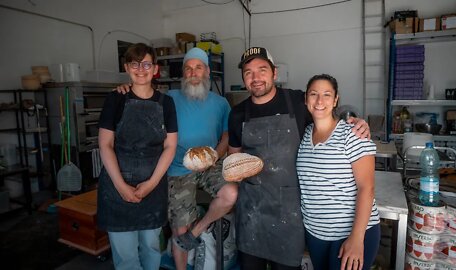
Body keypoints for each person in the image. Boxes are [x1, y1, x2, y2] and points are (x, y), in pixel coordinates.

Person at [228, 47, 371, 270]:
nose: (256, 78)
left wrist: (356, 121)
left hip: (290, 215)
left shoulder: (297, 101)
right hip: (252, 214)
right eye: (248, 72)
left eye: (262, 70)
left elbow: (326, 113)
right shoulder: (237, 113)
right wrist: (235, 173)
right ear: (243, 79)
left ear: (274, 73)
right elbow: (233, 159)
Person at [116, 47, 237, 270]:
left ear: (207, 71)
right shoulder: (168, 98)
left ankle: (198, 230)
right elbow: (142, 93)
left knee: (231, 194)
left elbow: (226, 136)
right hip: (177, 167)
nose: (193, 72)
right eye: (188, 68)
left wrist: (214, 156)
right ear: (183, 73)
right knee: (180, 227)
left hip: (208, 165)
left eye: (198, 67)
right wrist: (127, 89)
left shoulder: (221, 103)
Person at [97, 43, 178, 270]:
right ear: (127, 67)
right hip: (116, 187)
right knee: (126, 255)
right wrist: (121, 186)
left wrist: (151, 184)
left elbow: (170, 146)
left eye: (146, 64)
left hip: (153, 187)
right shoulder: (115, 99)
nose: (140, 69)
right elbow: (105, 145)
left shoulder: (166, 103)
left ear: (155, 69)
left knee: (152, 247)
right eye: (135, 63)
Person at [296, 74, 380, 270]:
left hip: (351, 233)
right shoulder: (305, 133)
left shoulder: (353, 134)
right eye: (313, 94)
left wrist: (357, 238)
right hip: (316, 233)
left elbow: (367, 188)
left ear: (335, 100)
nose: (319, 101)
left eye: (327, 94)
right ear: (306, 99)